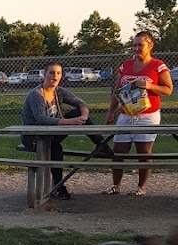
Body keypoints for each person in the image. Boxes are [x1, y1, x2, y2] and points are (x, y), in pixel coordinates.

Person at [105, 31, 173, 195]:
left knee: (143, 152)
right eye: (134, 45)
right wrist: (111, 112)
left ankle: (141, 187)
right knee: (118, 151)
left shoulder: (157, 65)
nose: (136, 48)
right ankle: (116, 186)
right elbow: (117, 91)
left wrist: (150, 86)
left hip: (147, 115)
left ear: (150, 46)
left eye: (140, 45)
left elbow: (168, 89)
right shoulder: (126, 65)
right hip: (126, 113)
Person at [21, 63, 98, 200]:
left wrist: (84, 117)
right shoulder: (37, 94)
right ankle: (58, 186)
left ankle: (101, 146)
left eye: (58, 73)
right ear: (44, 74)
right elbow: (42, 119)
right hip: (34, 136)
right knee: (55, 147)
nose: (54, 76)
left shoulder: (59, 91)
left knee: (76, 113)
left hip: (51, 132)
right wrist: (71, 122)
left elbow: (81, 104)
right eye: (51, 72)